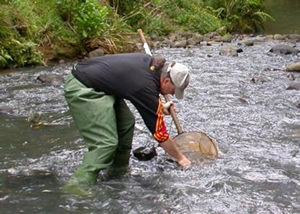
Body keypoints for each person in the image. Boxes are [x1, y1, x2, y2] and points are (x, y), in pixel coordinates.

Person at [63, 53, 191, 195]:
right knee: (106, 143)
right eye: (174, 90)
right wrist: (181, 158)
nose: (173, 95)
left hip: (102, 84)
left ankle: (117, 172)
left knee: (127, 123)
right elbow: (159, 134)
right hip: (83, 86)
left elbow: (132, 86)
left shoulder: (152, 66)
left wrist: (159, 107)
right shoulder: (144, 84)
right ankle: (77, 187)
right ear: (166, 81)